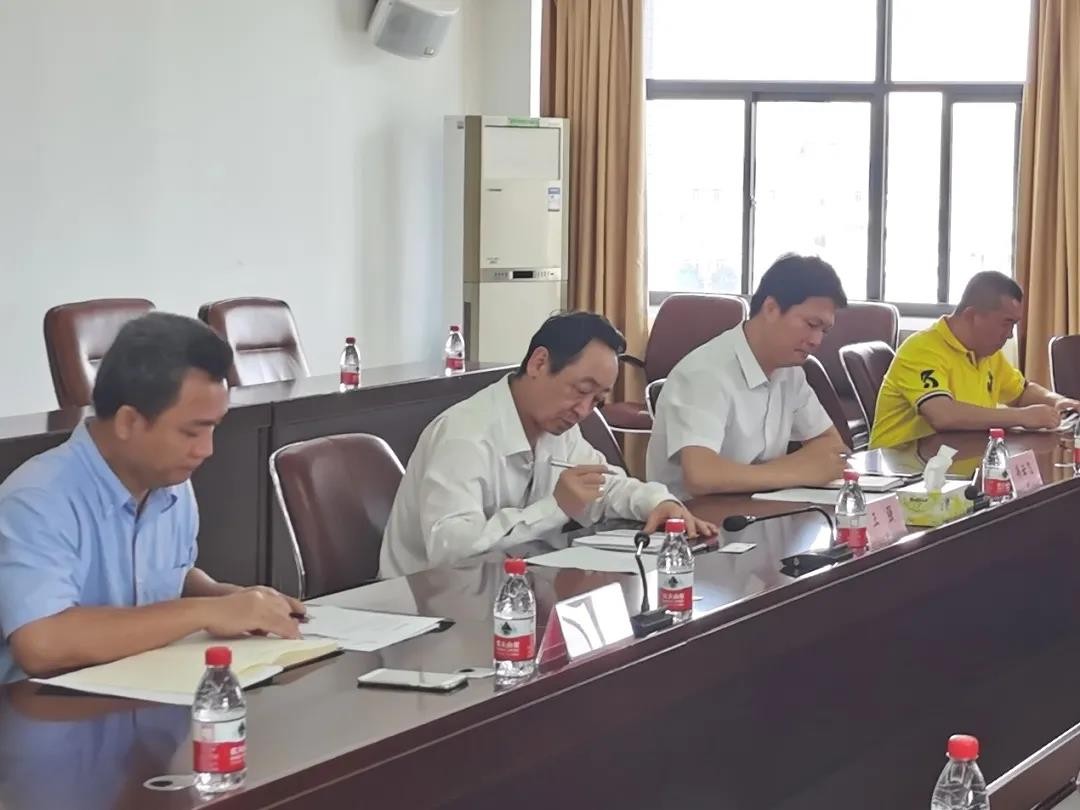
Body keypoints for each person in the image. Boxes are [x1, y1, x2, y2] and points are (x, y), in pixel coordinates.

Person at [0, 313, 305, 684]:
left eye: (213, 428)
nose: (206, 450)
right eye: (191, 432)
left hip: (142, 693)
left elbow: (168, 577)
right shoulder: (37, 500)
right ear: (128, 422)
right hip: (47, 709)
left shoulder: (169, 482)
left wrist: (224, 598)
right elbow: (42, 643)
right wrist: (205, 612)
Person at [380, 311, 716, 578]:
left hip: (511, 589)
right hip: (425, 606)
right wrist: (555, 508)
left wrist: (657, 502)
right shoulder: (464, 436)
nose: (584, 410)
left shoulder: (557, 426)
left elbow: (604, 486)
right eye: (581, 390)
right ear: (539, 363)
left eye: (597, 400)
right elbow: (451, 552)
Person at [646, 254, 850, 499]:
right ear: (771, 308)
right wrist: (795, 471)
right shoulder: (705, 373)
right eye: (811, 324)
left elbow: (832, 448)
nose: (817, 340)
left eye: (824, 331)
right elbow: (701, 476)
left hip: (759, 510)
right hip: (694, 517)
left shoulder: (791, 373)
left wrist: (790, 470)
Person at [870, 271, 1080, 448]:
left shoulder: (988, 353)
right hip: (901, 469)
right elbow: (943, 415)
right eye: (1006, 323)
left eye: (1014, 325)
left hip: (956, 463)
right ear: (972, 316)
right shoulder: (922, 349)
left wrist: (1057, 401)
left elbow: (1021, 392)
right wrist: (1022, 417)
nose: (1009, 334)